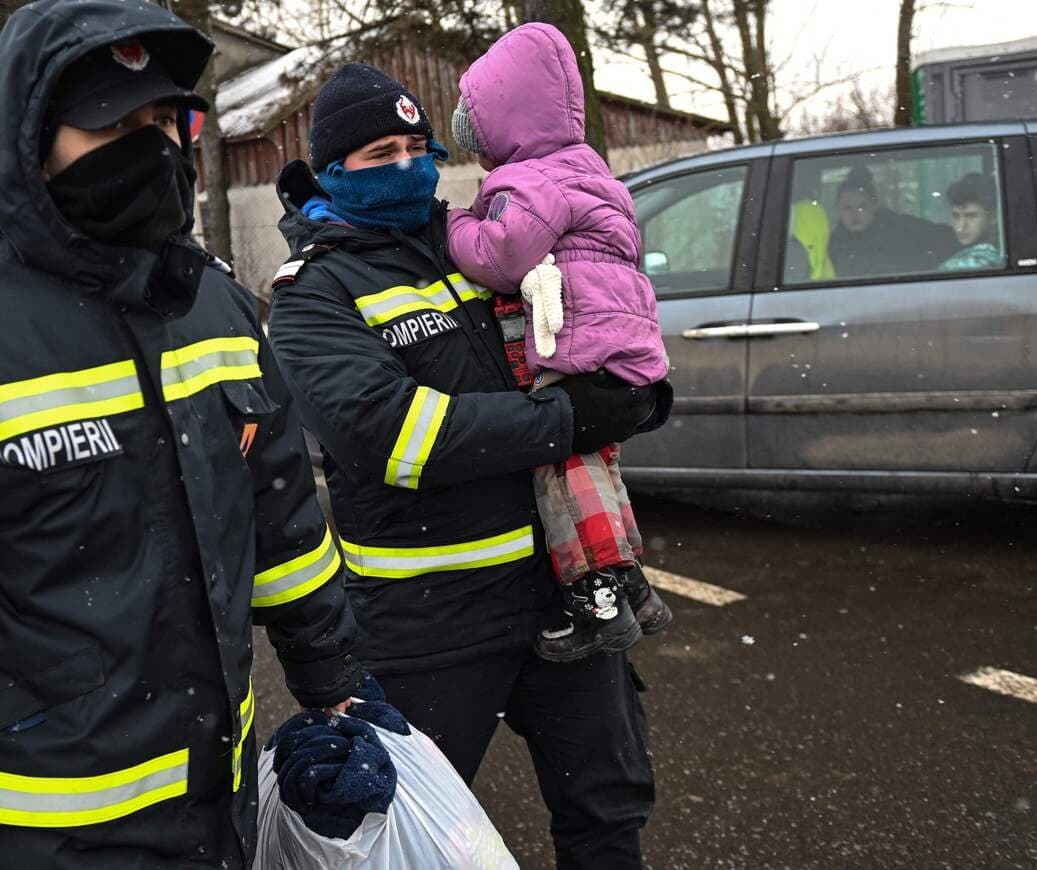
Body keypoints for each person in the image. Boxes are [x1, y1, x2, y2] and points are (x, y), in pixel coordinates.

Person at [266, 62, 656, 868]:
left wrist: (640, 390)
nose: (409, 165)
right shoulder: (313, 295)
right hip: (428, 621)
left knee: (609, 809)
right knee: (422, 837)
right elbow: (397, 437)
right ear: (334, 172)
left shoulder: (484, 242)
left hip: (566, 592)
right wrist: (568, 419)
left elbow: (592, 324)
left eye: (419, 145)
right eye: (381, 152)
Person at [0, 2, 360, 867]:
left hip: (219, 803)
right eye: (114, 126)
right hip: (52, 830)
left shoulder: (216, 304)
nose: (154, 147)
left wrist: (333, 685)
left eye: (164, 120)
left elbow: (283, 525)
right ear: (29, 139)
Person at [447, 23, 673, 662]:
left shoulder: (536, 182)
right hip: (620, 337)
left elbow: (501, 257)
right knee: (599, 462)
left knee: (563, 466)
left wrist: (458, 224)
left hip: (580, 344)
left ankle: (597, 596)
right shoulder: (589, 168)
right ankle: (633, 582)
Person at [828, 166, 958, 278]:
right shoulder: (832, 246)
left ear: (874, 205)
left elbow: (949, 238)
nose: (854, 214)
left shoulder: (903, 230)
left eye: (862, 207)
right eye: (847, 208)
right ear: (837, 209)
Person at [938, 172, 1005, 271]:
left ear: (993, 217)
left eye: (971, 216)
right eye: (956, 216)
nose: (961, 226)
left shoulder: (981, 260)